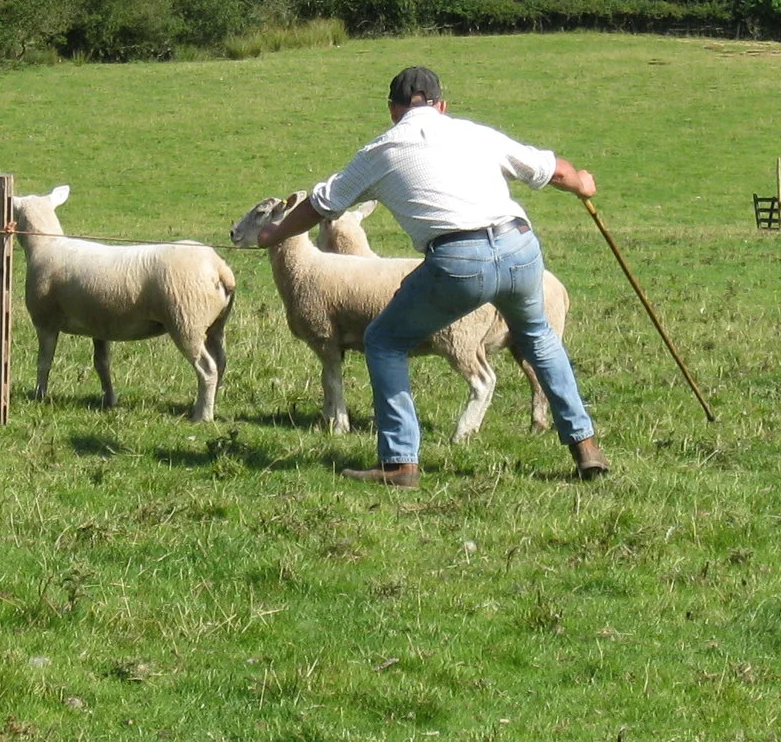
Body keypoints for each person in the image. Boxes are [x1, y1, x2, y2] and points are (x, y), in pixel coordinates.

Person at [257, 65, 606, 488]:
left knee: (384, 341)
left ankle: (400, 463)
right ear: (442, 105)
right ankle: (585, 447)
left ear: (392, 110)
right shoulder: (475, 133)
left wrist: (275, 232)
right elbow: (555, 170)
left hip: (459, 260)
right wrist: (582, 185)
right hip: (520, 248)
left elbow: (319, 205)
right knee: (539, 338)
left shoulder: (381, 151)